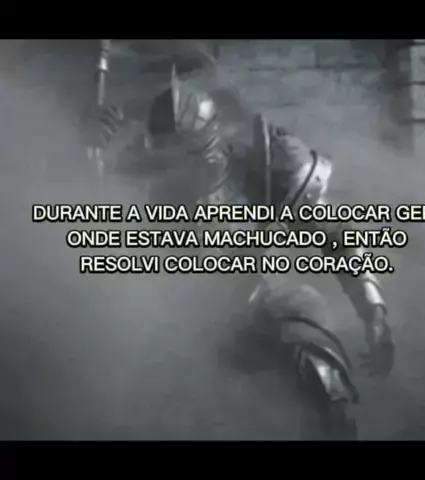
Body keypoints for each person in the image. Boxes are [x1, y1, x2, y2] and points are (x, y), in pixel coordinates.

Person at [87, 41, 395, 439]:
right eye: (170, 159)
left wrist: (374, 313)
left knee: (307, 329)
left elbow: (336, 237)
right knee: (127, 402)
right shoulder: (135, 175)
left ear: (213, 146)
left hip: (254, 306)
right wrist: (84, 160)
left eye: (192, 157)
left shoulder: (261, 165)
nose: (182, 171)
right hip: (173, 322)